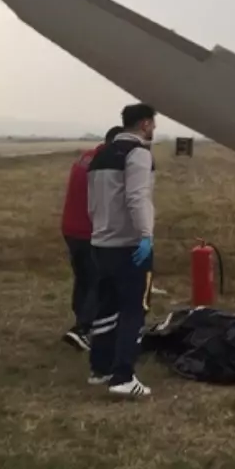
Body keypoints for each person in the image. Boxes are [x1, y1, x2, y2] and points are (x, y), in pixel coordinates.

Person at [86, 103, 157, 397]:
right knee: (133, 310)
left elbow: (92, 203)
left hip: (101, 242)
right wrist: (145, 235)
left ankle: (99, 369)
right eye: (152, 123)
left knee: (106, 307)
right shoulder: (137, 153)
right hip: (129, 245)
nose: (154, 128)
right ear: (144, 124)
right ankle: (123, 376)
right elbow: (138, 197)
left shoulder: (100, 155)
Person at [60, 126, 121, 351]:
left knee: (83, 277)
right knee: (98, 280)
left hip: (71, 229)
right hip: (90, 232)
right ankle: (84, 330)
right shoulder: (108, 164)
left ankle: (80, 322)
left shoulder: (86, 157)